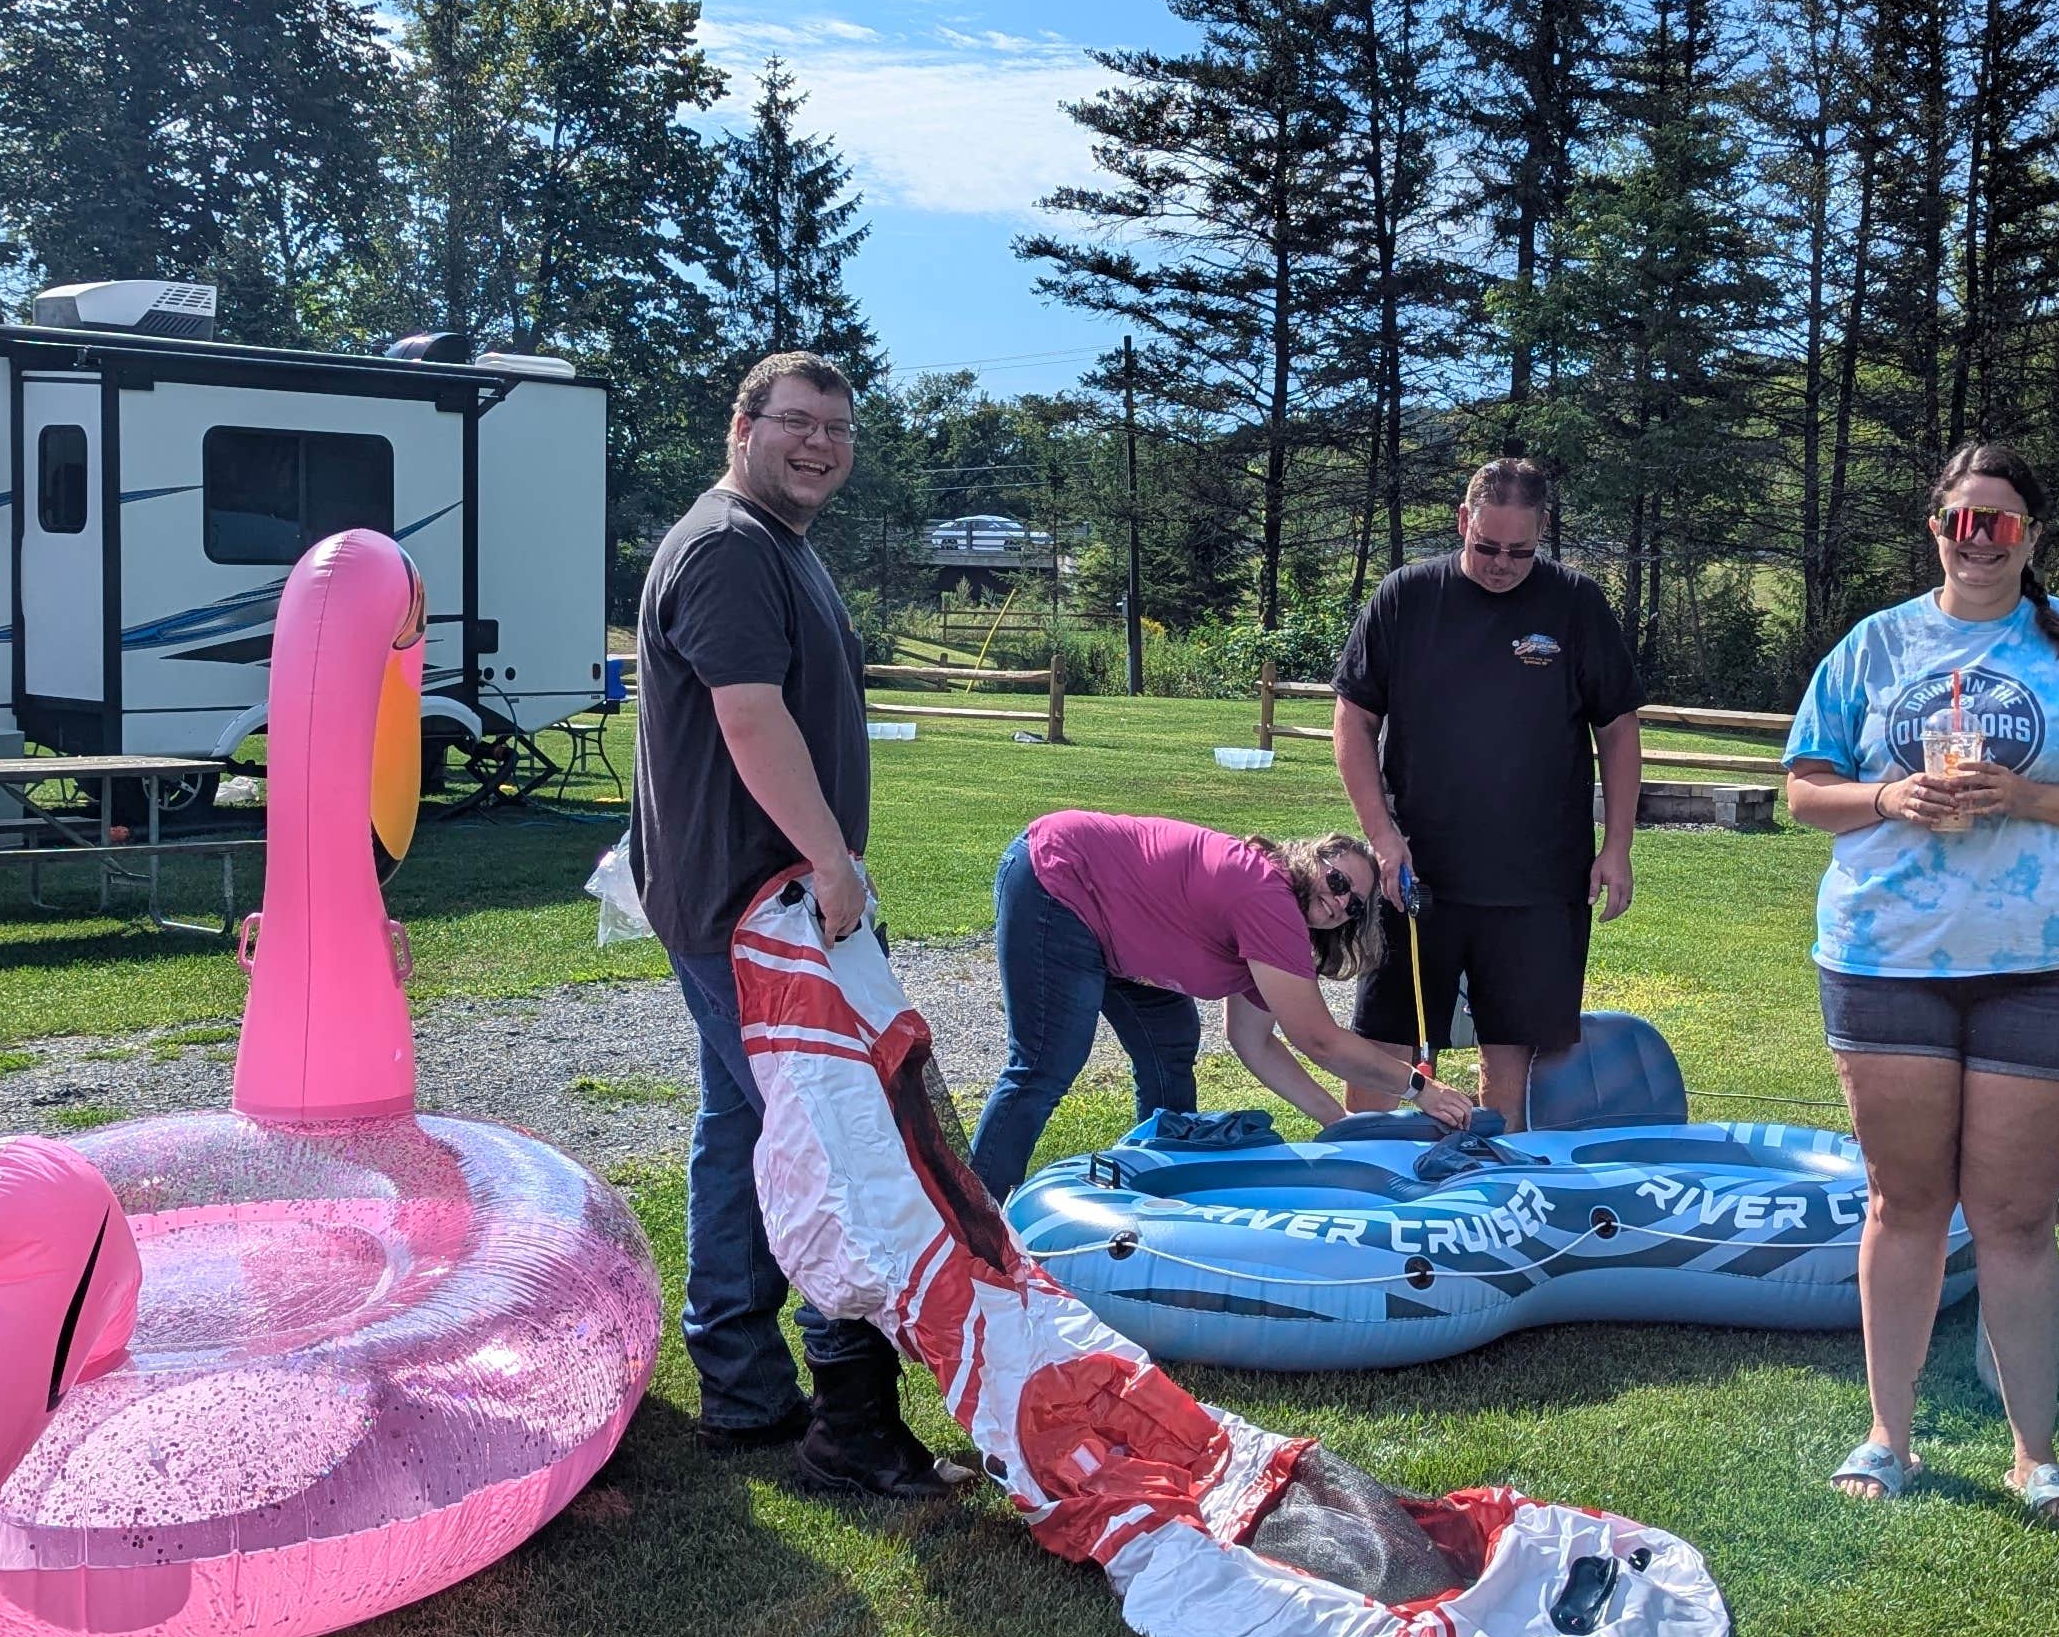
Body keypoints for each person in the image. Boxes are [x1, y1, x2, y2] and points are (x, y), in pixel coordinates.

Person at [1782, 441, 2059, 1526]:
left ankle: (2035, 1456)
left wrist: (2026, 799)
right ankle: (1887, 1438)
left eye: (2000, 524)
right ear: (1935, 530)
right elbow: (1803, 790)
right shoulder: (1874, 647)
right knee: (1903, 1202)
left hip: (2045, 964)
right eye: (1962, 521)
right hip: (1888, 959)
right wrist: (1889, 800)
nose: (1979, 541)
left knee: (2013, 1218)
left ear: (2031, 537)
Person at [630, 350, 956, 1502]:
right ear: (743, 424)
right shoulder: (728, 548)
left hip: (749, 899)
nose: (820, 444)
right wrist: (827, 860)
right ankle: (844, 1424)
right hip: (753, 905)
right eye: (797, 423)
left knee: (744, 1127)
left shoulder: (773, 547)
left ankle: (743, 1384)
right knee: (828, 1140)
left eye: (838, 428)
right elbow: (751, 719)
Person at [1331, 458, 1645, 1130]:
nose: (1503, 563)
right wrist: (1383, 838)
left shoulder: (1576, 604)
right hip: (1416, 872)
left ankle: (1490, 1193)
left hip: (1540, 877)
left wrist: (1617, 846)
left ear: (1543, 536)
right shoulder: (1406, 598)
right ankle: (1369, 1185)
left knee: (1513, 1058)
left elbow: (1618, 728)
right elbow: (1354, 719)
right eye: (1487, 546)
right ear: (1462, 522)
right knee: (1392, 1046)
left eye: (1521, 551)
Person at [965, 816, 1480, 1194]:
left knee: (1169, 1045)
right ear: (1310, 858)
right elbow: (1318, 1039)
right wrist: (1420, 1089)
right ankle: (973, 1223)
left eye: (1355, 906)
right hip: (1060, 880)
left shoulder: (1278, 925)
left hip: (1118, 926)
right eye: (1338, 880)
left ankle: (1157, 1186)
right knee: (1045, 1063)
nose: (1341, 901)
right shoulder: (1265, 894)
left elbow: (1252, 1041)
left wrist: (1340, 1121)